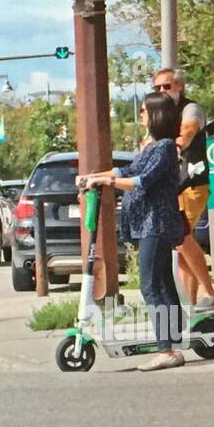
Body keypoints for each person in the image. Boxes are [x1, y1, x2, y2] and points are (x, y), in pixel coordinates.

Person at [83, 92, 188, 371]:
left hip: (157, 223)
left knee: (151, 285)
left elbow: (143, 180)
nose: (140, 115)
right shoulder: (152, 146)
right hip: (148, 224)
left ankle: (167, 349)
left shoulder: (165, 147)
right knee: (162, 284)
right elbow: (128, 169)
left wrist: (107, 181)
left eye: (143, 111)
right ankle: (173, 345)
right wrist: (95, 177)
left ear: (155, 115)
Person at [151, 67, 214, 310]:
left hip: (191, 182)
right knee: (180, 246)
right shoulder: (159, 115)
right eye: (157, 88)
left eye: (167, 86)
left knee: (180, 236)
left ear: (179, 86)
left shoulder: (190, 109)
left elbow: (189, 131)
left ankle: (209, 293)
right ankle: (189, 306)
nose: (162, 91)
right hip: (170, 187)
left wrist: (178, 144)